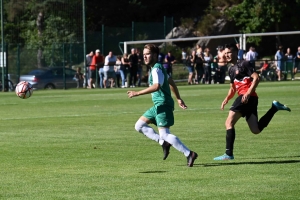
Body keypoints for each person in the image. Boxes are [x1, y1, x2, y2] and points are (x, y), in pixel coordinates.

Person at [213, 43, 291, 161]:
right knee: (256, 130)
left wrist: (248, 92)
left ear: (235, 52)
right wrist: (226, 99)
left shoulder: (244, 63)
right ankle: (274, 108)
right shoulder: (231, 69)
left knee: (229, 123)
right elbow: (233, 88)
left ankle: (228, 154)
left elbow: (256, 77)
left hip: (247, 97)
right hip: (249, 98)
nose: (227, 55)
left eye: (229, 52)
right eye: (225, 53)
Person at [127, 43, 198, 167]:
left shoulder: (157, 69)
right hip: (158, 106)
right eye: (144, 55)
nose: (145, 57)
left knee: (165, 134)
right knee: (139, 125)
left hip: (163, 104)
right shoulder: (158, 68)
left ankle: (189, 153)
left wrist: (137, 93)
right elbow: (171, 82)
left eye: (147, 54)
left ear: (154, 55)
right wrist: (179, 98)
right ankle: (163, 143)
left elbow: (156, 86)